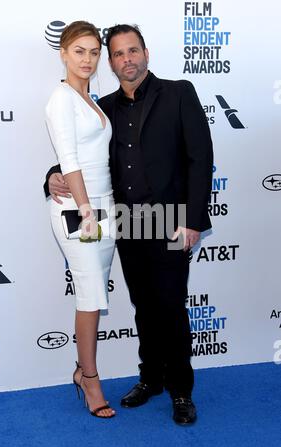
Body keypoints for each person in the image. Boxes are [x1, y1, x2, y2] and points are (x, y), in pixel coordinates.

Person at [44, 24, 213, 425]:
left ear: (146, 53)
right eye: (118, 54)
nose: (126, 59)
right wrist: (51, 175)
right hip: (125, 221)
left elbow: (200, 158)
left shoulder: (178, 92)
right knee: (143, 307)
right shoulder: (105, 106)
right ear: (112, 61)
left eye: (132, 51)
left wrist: (192, 221)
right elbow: (83, 154)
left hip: (171, 220)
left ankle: (181, 390)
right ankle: (150, 378)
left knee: (171, 306)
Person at [45, 20, 116, 418]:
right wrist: (87, 211)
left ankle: (80, 369)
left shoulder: (90, 98)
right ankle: (89, 379)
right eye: (79, 51)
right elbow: (69, 160)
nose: (87, 59)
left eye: (93, 52)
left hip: (105, 207)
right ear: (63, 52)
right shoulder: (60, 98)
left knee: (94, 295)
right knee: (90, 295)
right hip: (80, 210)